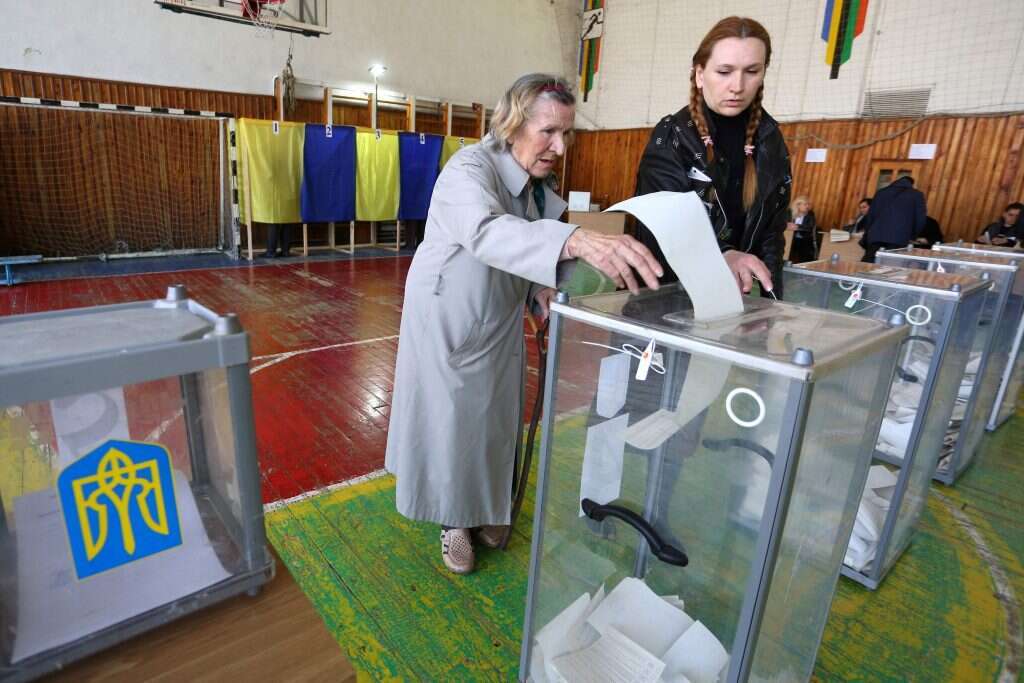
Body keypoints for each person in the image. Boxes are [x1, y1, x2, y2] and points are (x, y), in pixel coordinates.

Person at [384, 74, 664, 575]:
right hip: (451, 314)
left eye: (566, 134)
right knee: (455, 421)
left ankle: (486, 506)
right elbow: (486, 232)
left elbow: (525, 253)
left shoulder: (535, 186)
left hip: (498, 314)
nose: (559, 146)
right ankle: (454, 520)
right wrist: (573, 240)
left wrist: (542, 292)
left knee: (497, 418)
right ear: (512, 125)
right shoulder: (467, 169)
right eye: (549, 132)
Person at [635, 16, 791, 298]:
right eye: (724, 72)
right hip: (669, 299)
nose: (737, 86)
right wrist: (723, 254)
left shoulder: (770, 139)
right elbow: (662, 228)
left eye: (752, 71)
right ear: (699, 74)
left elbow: (772, 233)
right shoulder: (672, 136)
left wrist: (773, 304)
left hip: (738, 301)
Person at [860, 175, 926, 263]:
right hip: (900, 237)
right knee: (889, 268)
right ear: (911, 184)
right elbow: (920, 219)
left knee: (868, 265)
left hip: (876, 235)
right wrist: (913, 235)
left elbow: (871, 215)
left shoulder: (881, 192)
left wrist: (867, 233)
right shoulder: (916, 194)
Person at [787, 196, 818, 264]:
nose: (807, 206)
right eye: (805, 204)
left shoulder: (810, 214)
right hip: (790, 240)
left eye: (808, 204)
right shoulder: (789, 213)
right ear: (798, 205)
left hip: (804, 240)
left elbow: (810, 227)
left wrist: (797, 226)